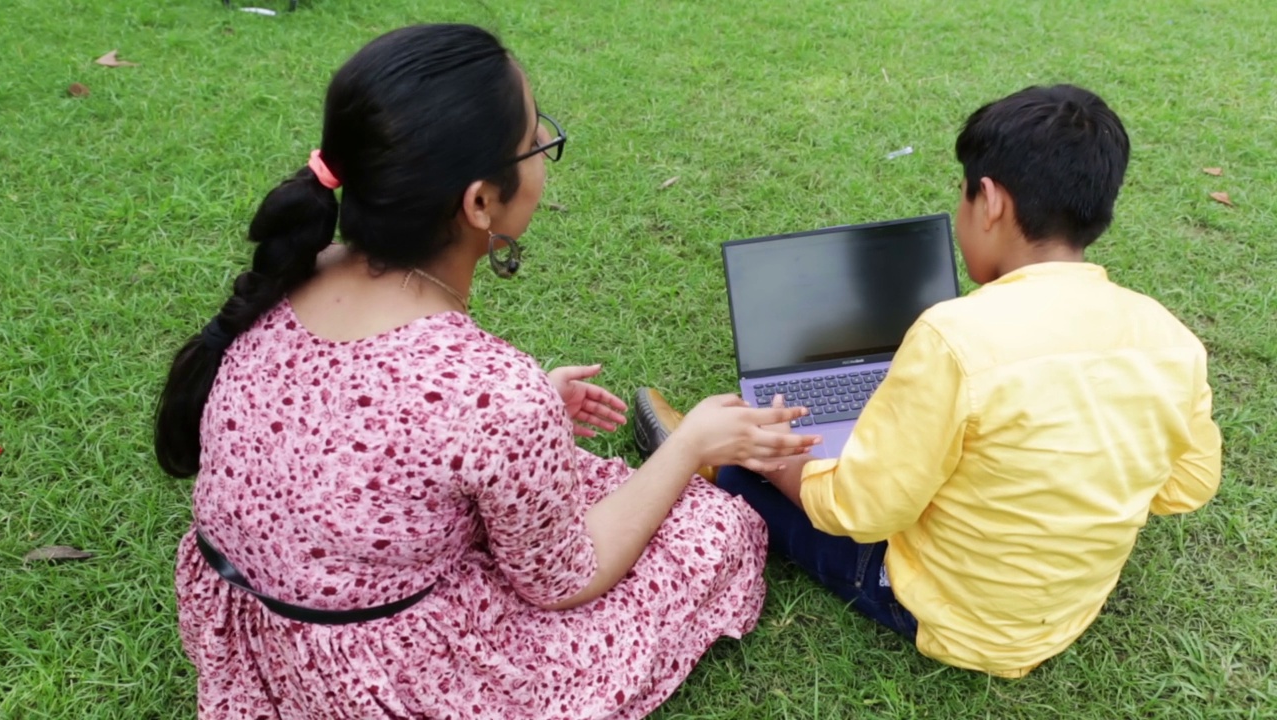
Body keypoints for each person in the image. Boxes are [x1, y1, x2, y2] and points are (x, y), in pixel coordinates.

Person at [155, 24, 819, 720]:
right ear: (480, 203)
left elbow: (362, 434)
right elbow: (564, 579)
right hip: (384, 676)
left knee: (569, 482)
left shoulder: (295, 271)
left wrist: (528, 419)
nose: (543, 157)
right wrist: (689, 446)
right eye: (538, 141)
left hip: (267, 626)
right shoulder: (491, 393)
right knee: (713, 529)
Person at [634, 84, 1223, 678]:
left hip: (942, 614)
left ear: (989, 201)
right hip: (1067, 614)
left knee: (750, 469)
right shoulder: (1170, 338)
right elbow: (1187, 485)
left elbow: (859, 511)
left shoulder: (955, 336)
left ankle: (704, 461)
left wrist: (779, 461)